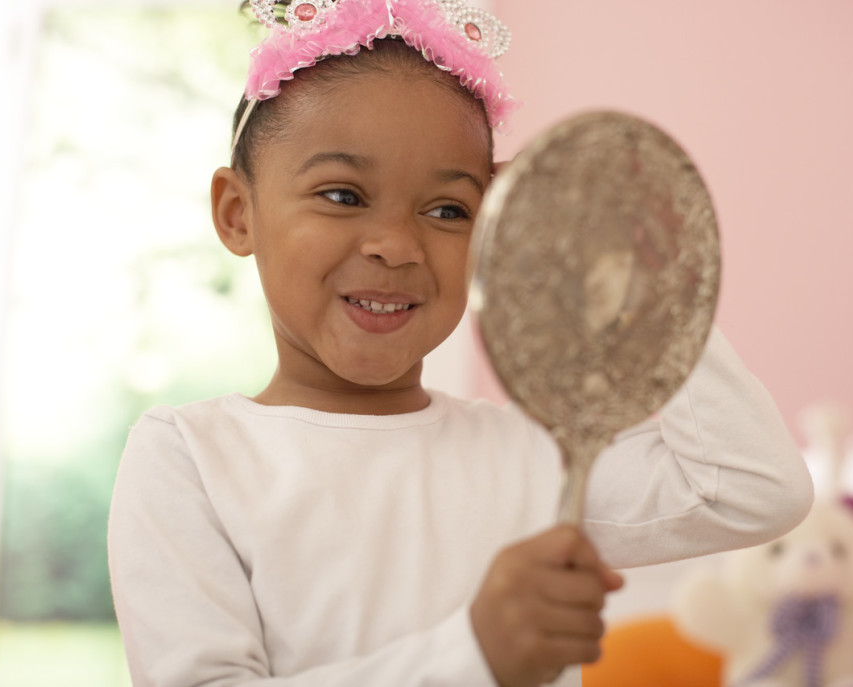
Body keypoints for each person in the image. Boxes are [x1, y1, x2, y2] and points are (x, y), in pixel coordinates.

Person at [107, 1, 813, 685]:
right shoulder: (188, 458)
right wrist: (474, 655)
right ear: (238, 213)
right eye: (343, 195)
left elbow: (754, 487)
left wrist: (636, 282)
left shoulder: (536, 458)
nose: (395, 245)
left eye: (449, 210)